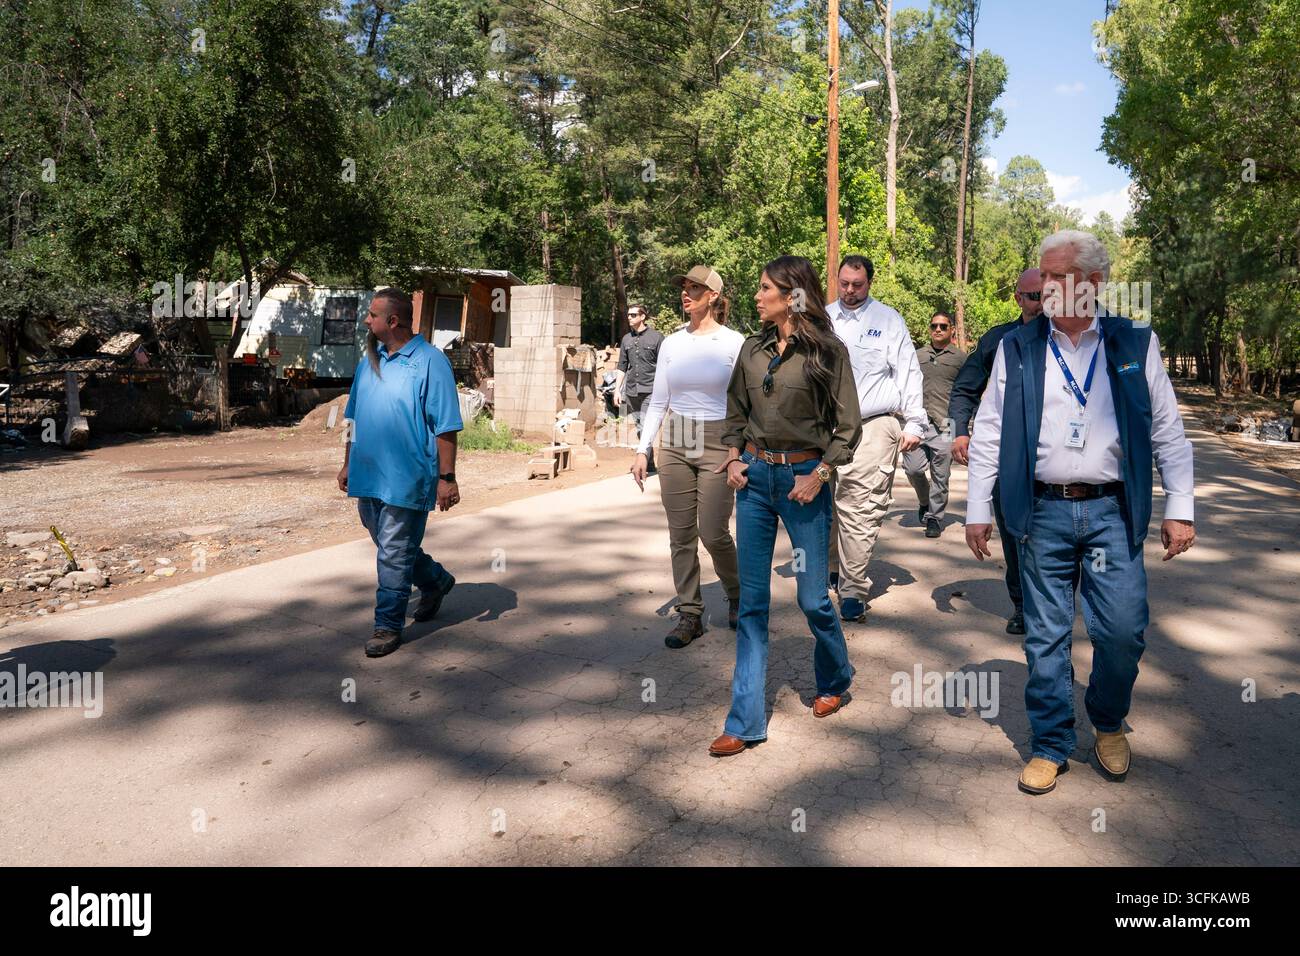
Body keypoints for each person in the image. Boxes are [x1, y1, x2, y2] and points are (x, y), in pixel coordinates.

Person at [964, 230, 1196, 795]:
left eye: (1057, 276)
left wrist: (1181, 507)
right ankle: (1050, 742)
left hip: (1112, 512)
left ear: (1093, 283)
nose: (1044, 286)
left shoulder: (1134, 341)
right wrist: (976, 507)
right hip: (1042, 512)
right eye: (1042, 275)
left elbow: (1167, 429)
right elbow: (990, 429)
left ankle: (1108, 719)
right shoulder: (1019, 346)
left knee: (1122, 633)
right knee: (1044, 637)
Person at [708, 255, 863, 757]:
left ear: (792, 294)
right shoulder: (751, 350)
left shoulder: (828, 352)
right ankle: (745, 721)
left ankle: (836, 677)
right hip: (754, 480)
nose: (756, 296)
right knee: (752, 604)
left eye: (765, 288)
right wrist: (733, 459)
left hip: (804, 482)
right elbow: (736, 411)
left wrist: (819, 476)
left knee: (813, 599)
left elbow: (848, 428)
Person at [337, 289, 463, 658]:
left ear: (392, 321)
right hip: (368, 473)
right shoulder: (369, 362)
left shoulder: (430, 362)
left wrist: (447, 478)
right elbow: (353, 417)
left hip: (408, 477)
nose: (366, 321)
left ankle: (386, 625)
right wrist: (347, 461)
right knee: (390, 545)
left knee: (393, 552)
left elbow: (446, 426)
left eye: (372, 315)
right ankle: (435, 580)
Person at [630, 266, 745, 647]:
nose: (686, 293)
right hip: (677, 437)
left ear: (713, 295)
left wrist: (737, 451)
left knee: (713, 532)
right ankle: (690, 613)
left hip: (717, 436)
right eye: (684, 287)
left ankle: (737, 594)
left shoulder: (734, 342)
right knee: (680, 535)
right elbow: (659, 400)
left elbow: (743, 403)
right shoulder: (672, 343)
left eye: (695, 288)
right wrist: (642, 449)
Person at [825, 254, 926, 621]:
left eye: (858, 285)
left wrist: (915, 422)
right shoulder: (822, 319)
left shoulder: (888, 320)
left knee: (860, 506)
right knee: (829, 505)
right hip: (825, 428)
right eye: (844, 284)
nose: (850, 291)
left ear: (870, 283)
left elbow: (908, 372)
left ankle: (853, 590)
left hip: (872, 425)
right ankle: (835, 568)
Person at [948, 268, 1044, 634]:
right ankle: (1023, 606)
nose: (1041, 304)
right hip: (1011, 462)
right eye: (1033, 297)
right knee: (1016, 537)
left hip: (1056, 463)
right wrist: (959, 432)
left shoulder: (1067, 337)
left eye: (1048, 296)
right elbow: (965, 389)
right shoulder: (1001, 340)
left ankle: (1053, 605)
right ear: (1018, 298)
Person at [902, 311, 965, 538]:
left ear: (952, 330)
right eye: (934, 326)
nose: (938, 329)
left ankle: (934, 518)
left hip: (946, 424)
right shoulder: (915, 355)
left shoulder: (961, 359)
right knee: (913, 468)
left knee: (941, 475)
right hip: (917, 422)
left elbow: (967, 392)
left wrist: (963, 426)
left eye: (943, 326)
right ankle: (924, 500)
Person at [616, 304, 664, 473]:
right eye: (628, 315)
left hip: (651, 390)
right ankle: (649, 463)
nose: (629, 317)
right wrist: (617, 389)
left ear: (643, 317)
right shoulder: (626, 339)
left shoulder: (657, 338)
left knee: (645, 425)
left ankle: (644, 461)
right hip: (631, 391)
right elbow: (622, 366)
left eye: (634, 315)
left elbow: (664, 366)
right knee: (640, 427)